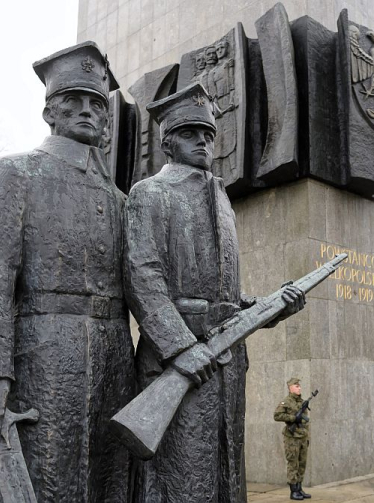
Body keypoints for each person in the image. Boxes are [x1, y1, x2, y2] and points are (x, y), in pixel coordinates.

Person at [0, 41, 135, 502]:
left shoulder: (121, 201)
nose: (86, 112)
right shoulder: (14, 173)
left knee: (108, 480)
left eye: (96, 104)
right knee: (45, 477)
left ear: (106, 118)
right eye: (71, 102)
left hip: (115, 354)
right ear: (49, 114)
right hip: (41, 350)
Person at [124, 82, 304, 503]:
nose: (203, 142)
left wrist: (270, 307)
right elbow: (143, 279)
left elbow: (226, 295)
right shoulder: (150, 193)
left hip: (226, 362)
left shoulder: (221, 199)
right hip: (181, 360)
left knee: (226, 475)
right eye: (190, 133)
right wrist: (180, 348)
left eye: (207, 134)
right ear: (169, 143)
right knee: (183, 479)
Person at [274, 377, 312, 500]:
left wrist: (307, 436)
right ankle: (293, 491)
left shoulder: (301, 402)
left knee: (302, 464)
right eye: (296, 386)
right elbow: (277, 415)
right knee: (293, 464)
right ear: (290, 388)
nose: (299, 387)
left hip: (302, 437)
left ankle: (300, 488)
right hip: (292, 438)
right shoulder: (286, 402)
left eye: (299, 386)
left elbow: (305, 421)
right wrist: (293, 418)